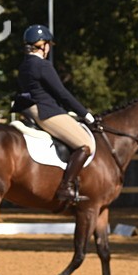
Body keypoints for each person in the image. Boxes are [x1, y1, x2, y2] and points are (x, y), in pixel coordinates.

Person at [17, 24, 97, 204]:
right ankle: (66, 187)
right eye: (47, 45)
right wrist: (85, 114)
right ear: (41, 44)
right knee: (85, 145)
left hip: (30, 109)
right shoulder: (42, 65)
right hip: (47, 111)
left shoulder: (24, 65)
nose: (48, 49)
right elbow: (62, 93)